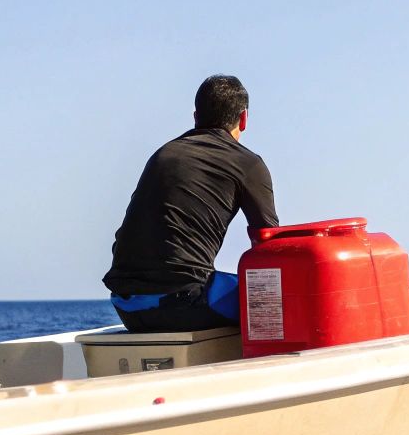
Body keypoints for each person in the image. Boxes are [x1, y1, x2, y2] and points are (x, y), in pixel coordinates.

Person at [103, 75, 279, 332]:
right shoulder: (247, 163)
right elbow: (269, 247)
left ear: (196, 117)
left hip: (127, 308)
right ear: (243, 118)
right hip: (184, 305)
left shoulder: (163, 155)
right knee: (272, 301)